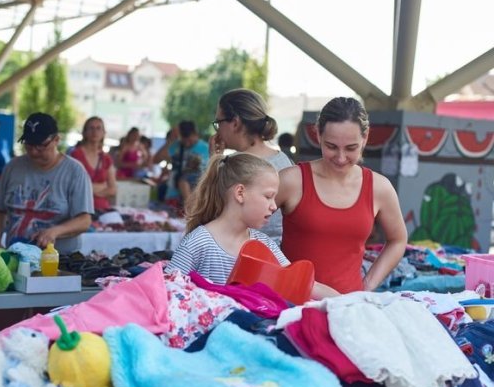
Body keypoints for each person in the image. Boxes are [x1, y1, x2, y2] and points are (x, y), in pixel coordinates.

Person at [277, 97, 407, 294]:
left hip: (348, 307)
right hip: (289, 305)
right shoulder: (292, 180)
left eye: (351, 148)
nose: (340, 157)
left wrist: (368, 284)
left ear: (365, 138)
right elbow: (243, 226)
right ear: (318, 134)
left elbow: (398, 239)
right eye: (331, 146)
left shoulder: (379, 188)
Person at [165, 153, 288, 285]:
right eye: (268, 196)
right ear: (240, 193)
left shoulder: (265, 244)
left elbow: (294, 280)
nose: (274, 206)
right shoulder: (197, 242)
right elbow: (166, 288)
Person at [0, 112, 94, 251]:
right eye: (29, 145)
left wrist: (55, 231)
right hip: (16, 256)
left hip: (59, 260)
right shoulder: (12, 167)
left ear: (56, 140)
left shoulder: (75, 171)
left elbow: (84, 221)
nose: (33, 152)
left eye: (41, 146)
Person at [209, 88, 292, 244]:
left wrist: (214, 162)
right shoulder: (284, 162)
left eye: (218, 122)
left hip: (236, 256)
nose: (218, 130)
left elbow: (208, 214)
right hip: (276, 257)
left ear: (235, 123)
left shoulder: (232, 166)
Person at [153, 120, 209, 206]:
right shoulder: (176, 145)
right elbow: (156, 160)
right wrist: (171, 140)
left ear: (195, 134)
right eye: (184, 141)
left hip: (196, 197)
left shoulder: (206, 148)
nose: (187, 144)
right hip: (173, 196)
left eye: (190, 140)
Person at [71, 116, 117, 212]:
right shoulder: (76, 155)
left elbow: (113, 190)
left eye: (98, 128)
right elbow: (73, 187)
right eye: (91, 128)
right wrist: (103, 186)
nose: (95, 132)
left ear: (103, 133)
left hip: (102, 208)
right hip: (81, 209)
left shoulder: (106, 158)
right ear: (85, 132)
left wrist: (88, 189)